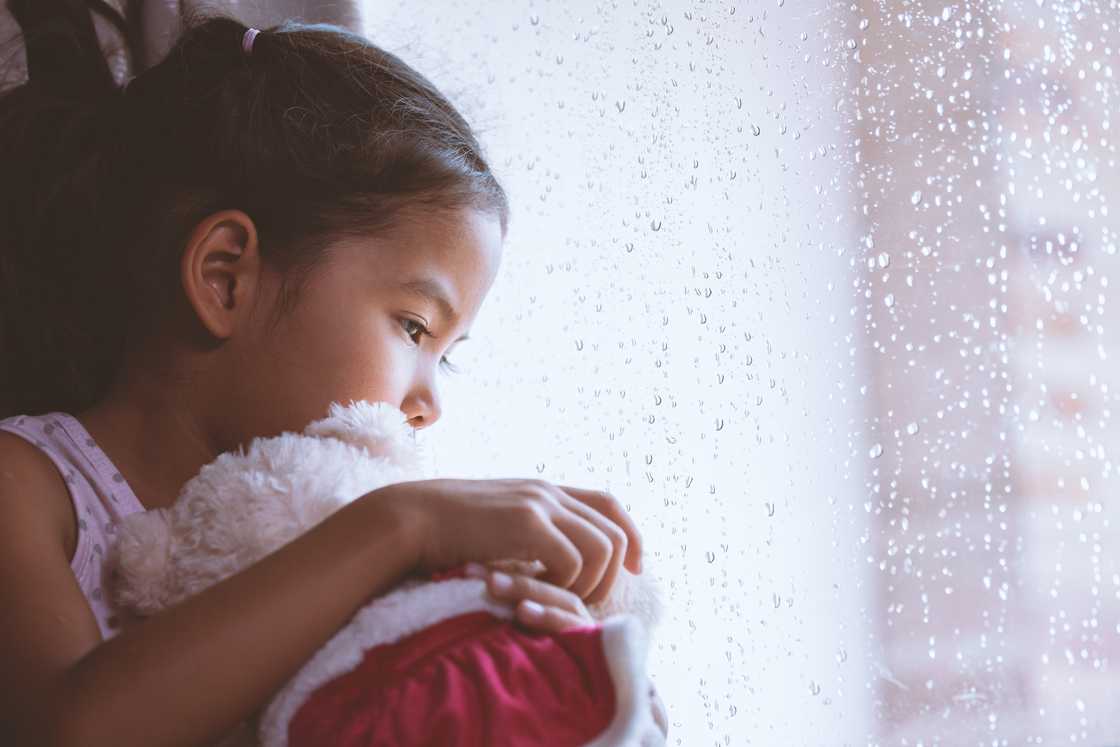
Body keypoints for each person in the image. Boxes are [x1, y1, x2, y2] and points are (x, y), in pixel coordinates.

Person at [0, 2, 668, 744]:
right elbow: (70, 729)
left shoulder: (331, 545)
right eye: (414, 326)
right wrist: (401, 524)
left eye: (445, 355)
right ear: (227, 278)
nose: (427, 403)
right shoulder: (26, 482)